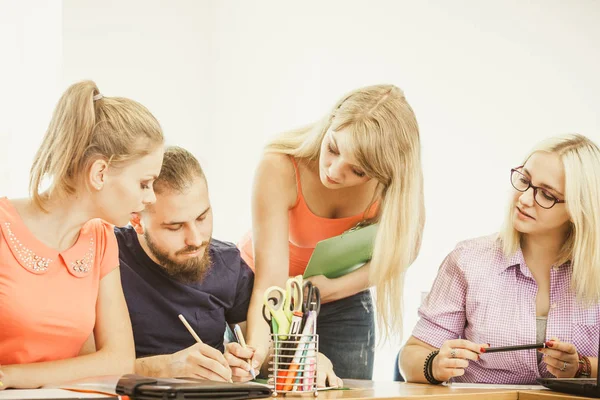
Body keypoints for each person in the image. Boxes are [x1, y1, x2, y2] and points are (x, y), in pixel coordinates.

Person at [239, 84, 425, 380]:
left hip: (342, 297)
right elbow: (268, 283)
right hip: (264, 293)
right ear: (329, 123)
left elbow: (404, 251)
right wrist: (256, 359)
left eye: (359, 171)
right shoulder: (279, 166)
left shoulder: (392, 186)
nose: (335, 171)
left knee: (344, 389)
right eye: (333, 149)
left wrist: (333, 289)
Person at [0, 80, 164, 389]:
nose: (151, 197)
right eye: (144, 183)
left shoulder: (100, 240)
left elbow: (118, 359)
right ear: (99, 173)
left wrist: (11, 376)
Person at [400, 134, 600, 384]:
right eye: (525, 181)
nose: (525, 199)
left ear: (580, 208)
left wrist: (582, 367)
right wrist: (435, 364)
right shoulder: (467, 260)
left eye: (547, 195)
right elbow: (410, 357)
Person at [116, 146, 255, 383]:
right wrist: (165, 367)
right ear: (137, 220)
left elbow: (257, 349)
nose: (196, 239)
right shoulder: (108, 254)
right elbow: (83, 365)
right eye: (175, 227)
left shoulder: (228, 263)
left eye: (202, 218)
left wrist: (243, 363)